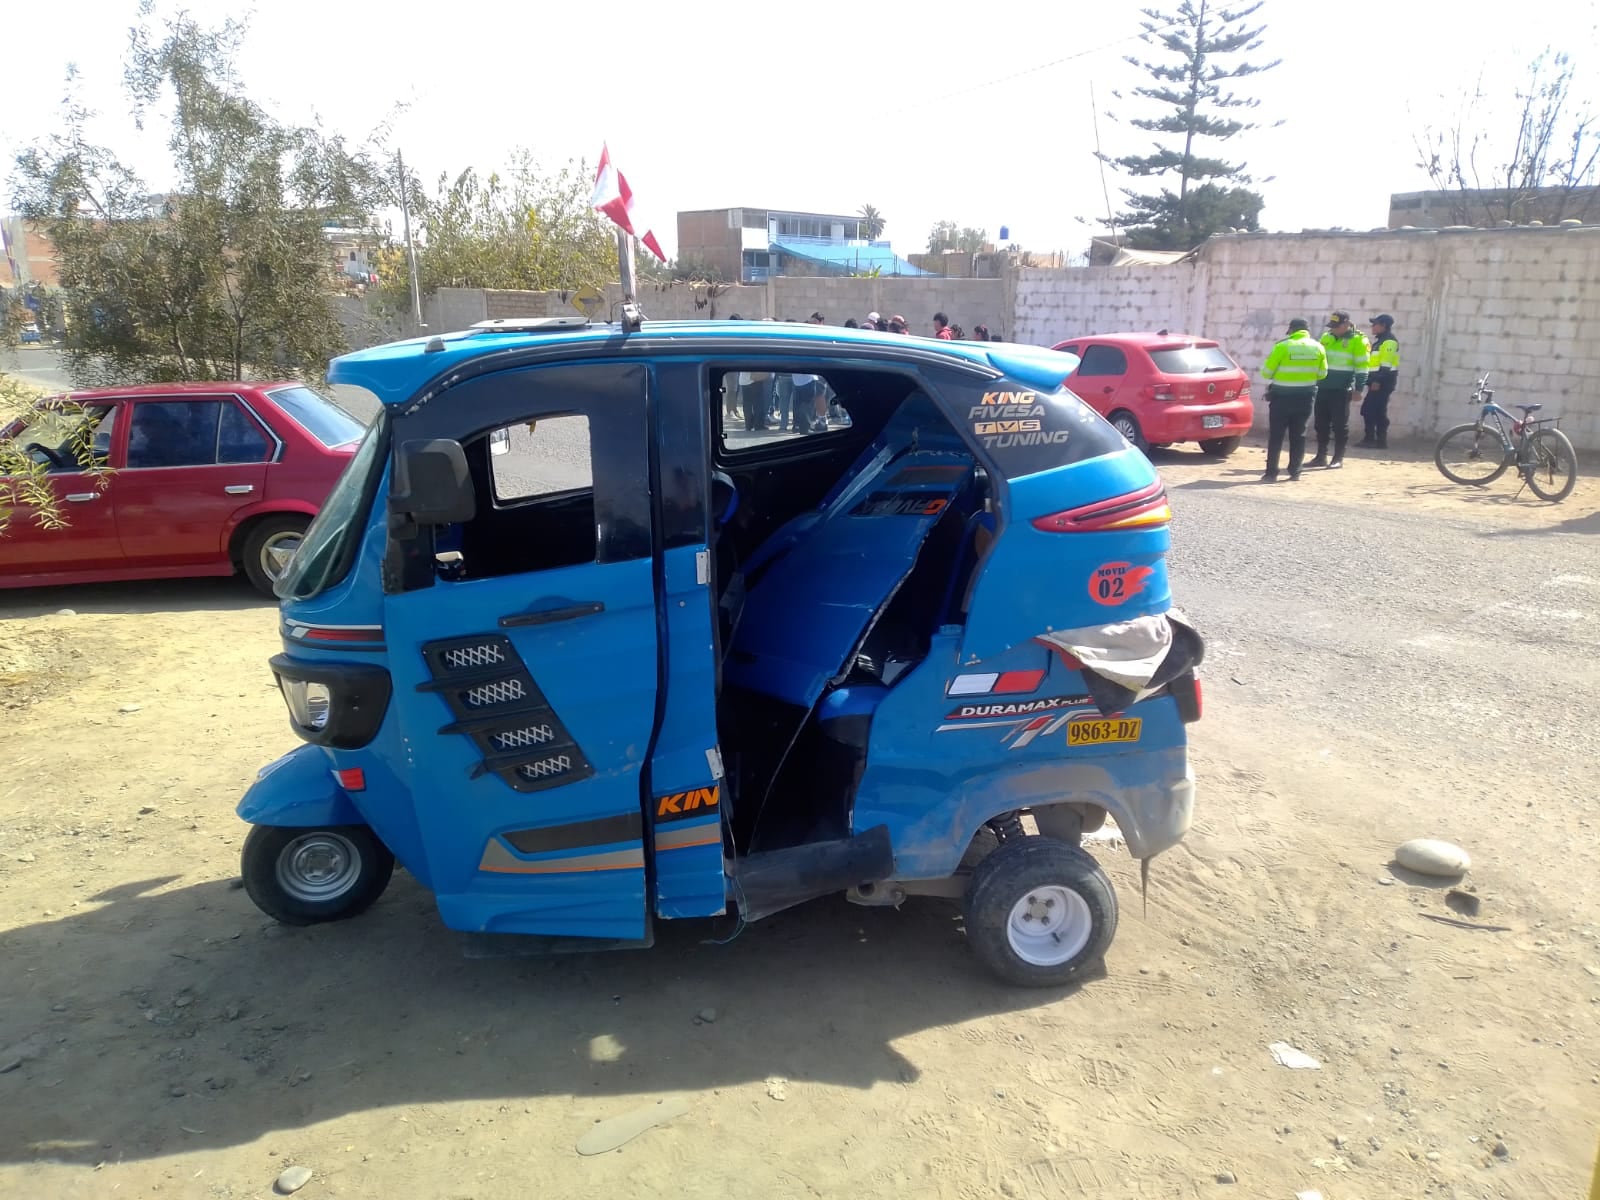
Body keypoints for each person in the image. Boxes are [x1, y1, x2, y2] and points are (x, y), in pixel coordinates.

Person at [1259, 318, 1328, 482]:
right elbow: (1323, 374)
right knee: (1299, 435)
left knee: (1276, 435)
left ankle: (1271, 473)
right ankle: (1295, 471)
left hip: (1281, 396)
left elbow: (1266, 373)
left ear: (1291, 330)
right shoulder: (1318, 347)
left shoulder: (1283, 346)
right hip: (1305, 396)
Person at [1308, 311, 1370, 470]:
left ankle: (1338, 457)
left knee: (1340, 424)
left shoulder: (1358, 341)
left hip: (1341, 389)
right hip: (1323, 387)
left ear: (1346, 324)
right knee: (1321, 423)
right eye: (1332, 326)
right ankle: (1321, 456)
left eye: (1337, 326)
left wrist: (1359, 388)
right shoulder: (1326, 337)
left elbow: (1362, 367)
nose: (1333, 329)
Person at [1360, 314, 1400, 448]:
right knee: (1374, 410)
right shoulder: (1381, 341)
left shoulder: (1389, 342)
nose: (1372, 327)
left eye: (1375, 324)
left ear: (1383, 325)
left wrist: (1377, 381)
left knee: (1371, 410)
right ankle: (1375, 440)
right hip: (1376, 382)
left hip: (1382, 383)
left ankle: (1374, 439)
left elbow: (1386, 366)